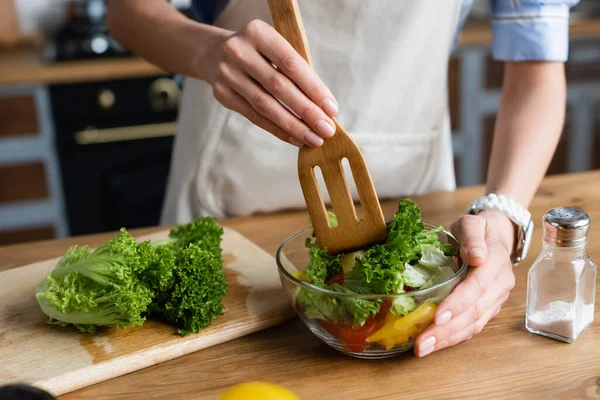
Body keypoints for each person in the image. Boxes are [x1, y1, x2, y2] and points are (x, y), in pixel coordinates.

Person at [107, 0, 579, 357]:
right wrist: (209, 51)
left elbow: (537, 63)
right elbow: (127, 14)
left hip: (413, 170)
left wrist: (504, 215)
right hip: (229, 170)